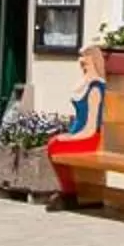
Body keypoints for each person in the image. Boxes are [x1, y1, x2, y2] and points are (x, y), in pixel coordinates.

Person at [45, 45, 108, 210]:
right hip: (79, 133)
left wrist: (72, 137)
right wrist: (70, 134)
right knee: (54, 143)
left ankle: (70, 192)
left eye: (85, 63)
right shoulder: (86, 84)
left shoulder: (96, 89)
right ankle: (69, 191)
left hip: (91, 137)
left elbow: (91, 126)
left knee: (55, 145)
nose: (82, 66)